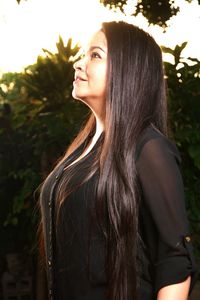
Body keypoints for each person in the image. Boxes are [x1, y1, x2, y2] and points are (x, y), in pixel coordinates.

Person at [39, 21, 198, 300]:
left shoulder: (149, 148)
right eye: (83, 54)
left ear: (128, 70)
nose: (78, 63)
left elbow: (174, 263)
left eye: (95, 55)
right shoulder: (82, 150)